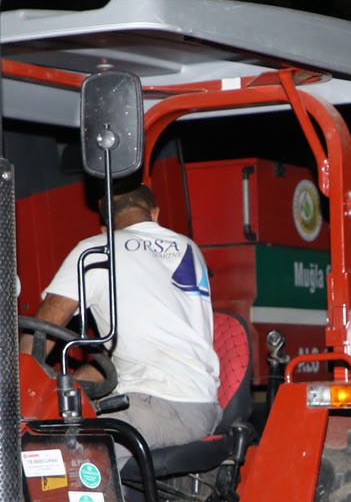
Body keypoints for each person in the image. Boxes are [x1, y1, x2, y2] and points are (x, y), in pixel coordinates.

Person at [31, 185, 222, 451]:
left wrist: (19, 382)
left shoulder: (96, 251)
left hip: (158, 405)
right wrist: (64, 383)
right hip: (201, 405)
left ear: (105, 226)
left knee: (62, 456)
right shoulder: (188, 248)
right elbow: (128, 359)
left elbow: (44, 327)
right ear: (154, 215)